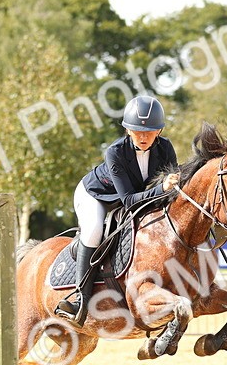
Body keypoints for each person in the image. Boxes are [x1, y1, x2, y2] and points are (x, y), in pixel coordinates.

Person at [55, 95, 178, 324]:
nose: (143, 136)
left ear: (159, 131)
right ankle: (80, 300)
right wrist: (162, 187)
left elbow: (171, 191)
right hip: (96, 196)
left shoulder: (166, 149)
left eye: (149, 131)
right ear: (127, 130)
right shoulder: (115, 152)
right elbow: (130, 200)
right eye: (137, 131)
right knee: (93, 230)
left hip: (134, 196)